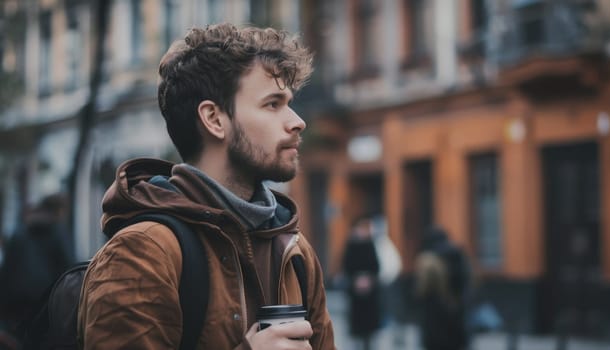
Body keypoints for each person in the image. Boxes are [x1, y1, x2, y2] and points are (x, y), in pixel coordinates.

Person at [77, 23, 336, 349]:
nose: (297, 121)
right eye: (273, 104)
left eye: (289, 102)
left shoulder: (294, 250)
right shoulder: (142, 253)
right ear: (214, 119)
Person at [0, 194, 74, 345]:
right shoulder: (58, 232)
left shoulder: (19, 232)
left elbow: (6, 273)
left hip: (16, 310)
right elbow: (70, 270)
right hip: (47, 308)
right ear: (58, 211)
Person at [414, 226, 471, 350]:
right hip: (456, 316)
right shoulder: (458, 255)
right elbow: (466, 284)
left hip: (434, 322)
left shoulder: (429, 259)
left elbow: (421, 291)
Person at [342, 215, 382, 350]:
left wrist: (369, 279)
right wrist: (356, 281)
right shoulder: (351, 245)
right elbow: (346, 267)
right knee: (358, 322)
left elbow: (376, 266)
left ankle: (368, 343)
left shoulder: (371, 244)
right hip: (356, 291)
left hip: (370, 291)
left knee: (369, 324)